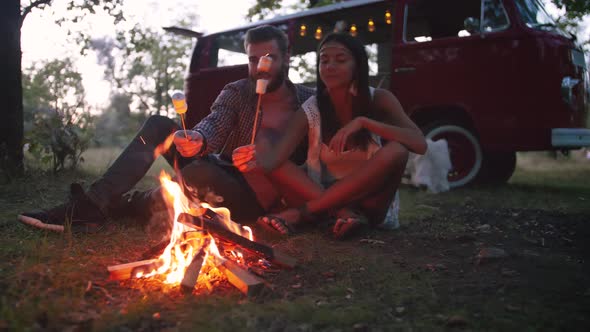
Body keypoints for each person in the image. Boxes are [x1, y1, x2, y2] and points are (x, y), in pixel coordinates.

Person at [18, 25, 314, 233]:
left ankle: (128, 204)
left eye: (269, 58)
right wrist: (197, 139)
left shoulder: (306, 102)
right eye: (252, 60)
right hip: (220, 165)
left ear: (287, 58)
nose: (260, 67)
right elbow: (215, 124)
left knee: (199, 175)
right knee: (161, 125)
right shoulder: (237, 91)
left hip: (249, 196)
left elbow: (314, 165)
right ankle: (93, 204)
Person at [232, 32, 427, 238]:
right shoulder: (312, 109)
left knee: (397, 151)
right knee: (263, 145)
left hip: (368, 203)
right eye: (324, 61)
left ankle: (301, 214)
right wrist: (251, 158)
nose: (330, 66)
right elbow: (273, 163)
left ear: (357, 65)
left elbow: (419, 144)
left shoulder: (379, 99)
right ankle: (342, 214)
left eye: (340, 60)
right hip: (321, 198)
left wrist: (364, 122)